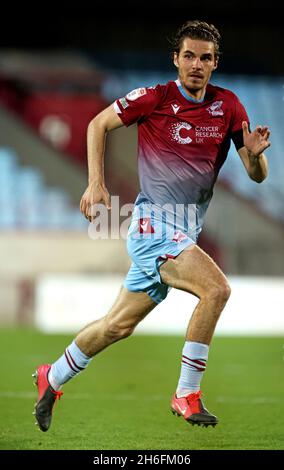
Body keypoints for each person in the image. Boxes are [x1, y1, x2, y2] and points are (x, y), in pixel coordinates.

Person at [32, 20, 270, 432]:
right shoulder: (155, 98)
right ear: (176, 59)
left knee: (116, 326)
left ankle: (50, 378)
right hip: (152, 226)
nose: (197, 64)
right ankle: (186, 393)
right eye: (190, 56)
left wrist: (255, 156)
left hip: (184, 231)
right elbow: (97, 124)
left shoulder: (229, 106)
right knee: (216, 289)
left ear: (215, 64)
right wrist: (96, 182)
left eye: (206, 58)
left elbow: (257, 176)